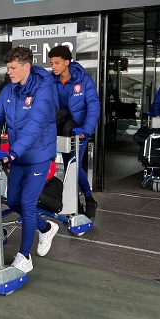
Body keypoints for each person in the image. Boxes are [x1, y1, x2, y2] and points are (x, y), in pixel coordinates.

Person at [0, 47, 59, 274]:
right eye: (7, 67)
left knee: (28, 204)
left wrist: (12, 152)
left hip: (38, 155)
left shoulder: (44, 89)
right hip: (18, 155)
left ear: (27, 66)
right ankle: (46, 227)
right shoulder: (9, 91)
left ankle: (24, 257)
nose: (9, 72)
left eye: (13, 68)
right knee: (13, 201)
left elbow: (35, 126)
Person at [48, 45, 101, 221]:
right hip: (61, 128)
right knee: (68, 165)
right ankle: (76, 203)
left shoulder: (84, 80)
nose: (53, 66)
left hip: (79, 130)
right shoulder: (51, 81)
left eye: (57, 63)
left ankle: (89, 198)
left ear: (67, 62)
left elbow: (93, 106)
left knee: (74, 166)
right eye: (51, 63)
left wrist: (86, 130)